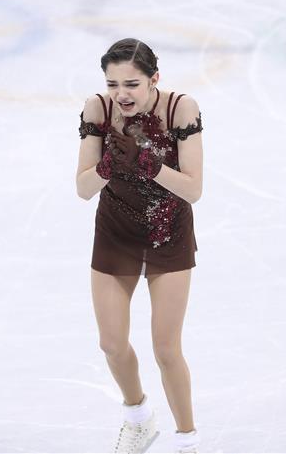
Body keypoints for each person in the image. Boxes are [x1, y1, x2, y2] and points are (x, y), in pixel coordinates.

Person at [75, 38, 204, 453]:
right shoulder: (98, 108)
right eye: (113, 84)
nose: (121, 94)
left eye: (131, 83)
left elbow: (194, 189)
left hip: (168, 231)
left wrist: (150, 164)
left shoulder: (179, 108)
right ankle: (138, 417)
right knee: (111, 344)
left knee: (166, 350)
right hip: (116, 231)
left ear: (154, 79)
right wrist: (110, 165)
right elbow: (82, 188)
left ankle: (187, 441)